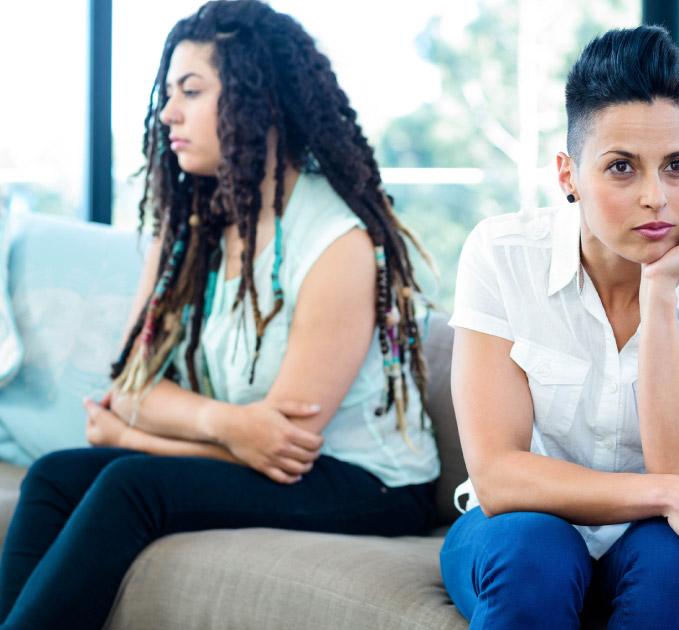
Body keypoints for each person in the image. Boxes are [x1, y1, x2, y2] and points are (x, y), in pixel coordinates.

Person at [0, 2, 439, 628]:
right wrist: (221, 421)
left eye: (192, 91)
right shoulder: (188, 228)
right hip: (263, 451)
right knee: (52, 476)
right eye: (168, 92)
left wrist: (133, 439)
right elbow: (131, 385)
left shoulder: (336, 241)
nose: (167, 112)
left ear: (259, 102)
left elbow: (280, 450)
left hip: (366, 483)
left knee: (130, 486)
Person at [440, 25, 679, 629]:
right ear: (568, 175)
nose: (657, 197)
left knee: (675, 571)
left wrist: (661, 294)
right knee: (533, 556)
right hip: (522, 528)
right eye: (622, 167)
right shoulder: (500, 253)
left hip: (663, 539)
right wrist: (670, 494)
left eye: (676, 166)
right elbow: (497, 474)